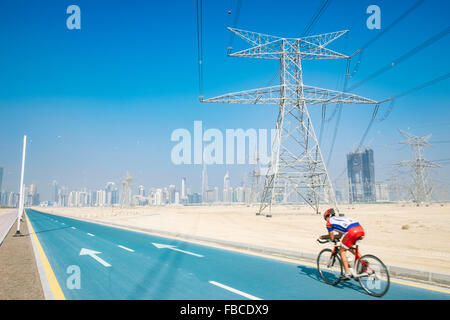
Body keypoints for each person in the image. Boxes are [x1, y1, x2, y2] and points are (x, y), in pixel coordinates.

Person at [319, 208, 365, 280]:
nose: (326, 220)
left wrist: (323, 237)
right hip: (360, 230)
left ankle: (347, 273)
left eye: (325, 218)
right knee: (347, 246)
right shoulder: (339, 218)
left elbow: (331, 237)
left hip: (351, 232)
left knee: (342, 250)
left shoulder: (329, 222)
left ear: (327, 217)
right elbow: (339, 236)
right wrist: (333, 237)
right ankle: (364, 262)